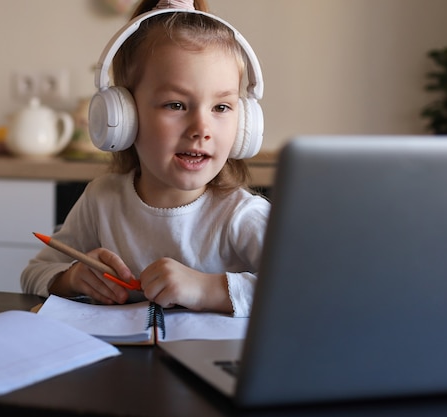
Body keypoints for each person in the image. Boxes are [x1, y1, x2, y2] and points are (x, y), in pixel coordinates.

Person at [20, 0, 270, 317]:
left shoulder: (242, 215)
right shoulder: (102, 200)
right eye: (176, 105)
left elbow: (309, 286)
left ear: (245, 121)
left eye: (221, 107)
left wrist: (208, 289)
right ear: (124, 116)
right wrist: (71, 278)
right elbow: (34, 273)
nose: (201, 129)